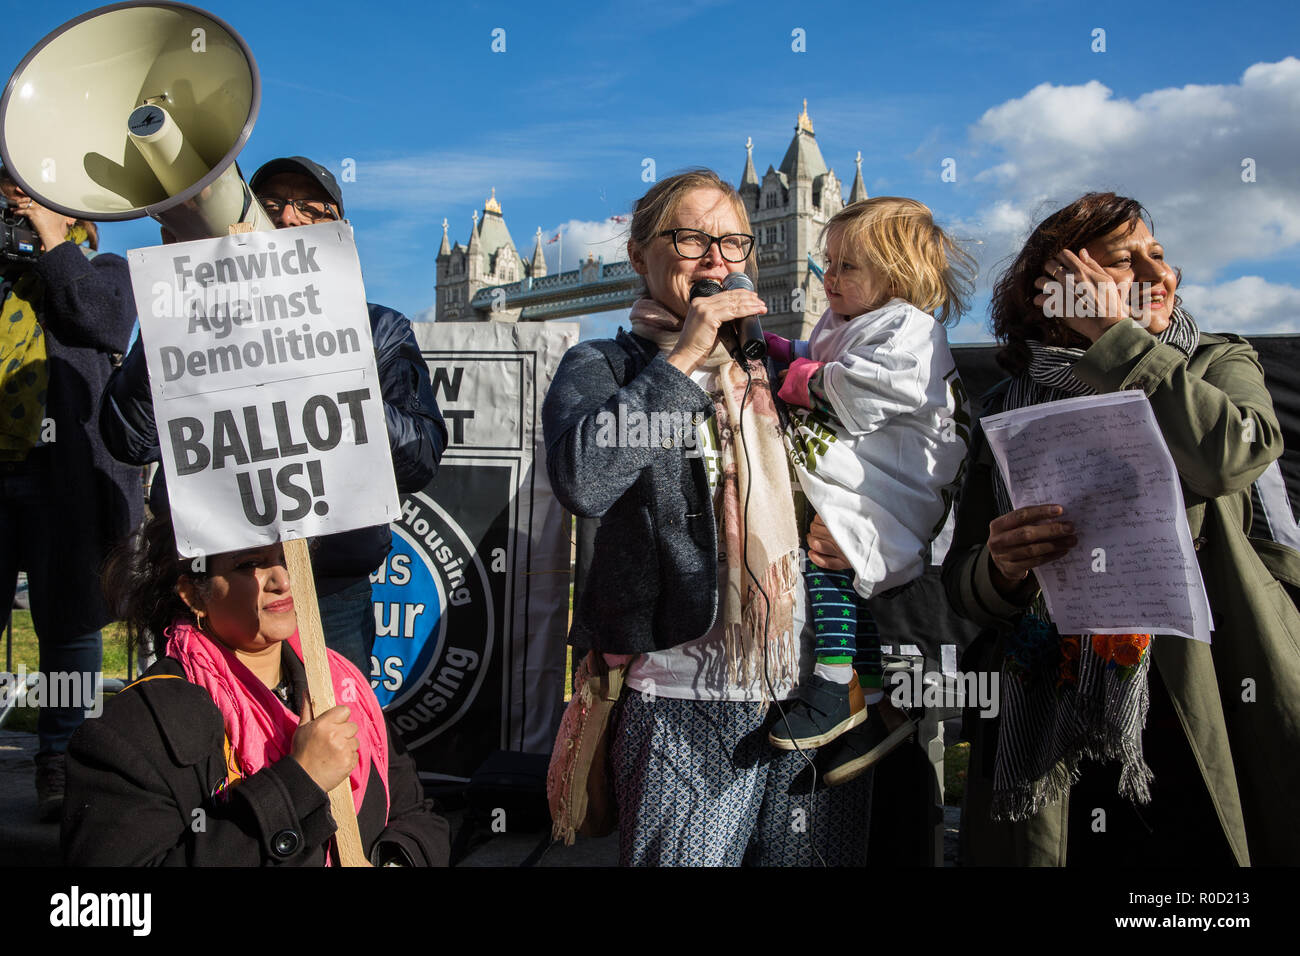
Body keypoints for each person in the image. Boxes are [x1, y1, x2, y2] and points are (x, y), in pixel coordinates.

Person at [941, 192, 1300, 866]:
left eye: (1157, 256)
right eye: (1119, 264)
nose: (1158, 275)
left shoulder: (1214, 362)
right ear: (1058, 295)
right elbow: (963, 585)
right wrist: (1002, 567)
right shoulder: (1007, 407)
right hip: (1055, 711)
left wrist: (1115, 338)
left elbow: (1228, 456)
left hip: (1211, 694)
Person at [543, 169, 871, 866]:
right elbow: (585, 481)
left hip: (808, 689)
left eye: (734, 242)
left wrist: (854, 533)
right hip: (681, 696)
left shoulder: (782, 372)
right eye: (691, 239)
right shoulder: (603, 364)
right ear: (639, 256)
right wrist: (686, 356)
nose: (717, 259)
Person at [99, 156, 446, 674]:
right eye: (271, 205)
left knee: (332, 738)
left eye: (310, 207)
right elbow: (130, 439)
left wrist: (327, 370)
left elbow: (419, 458)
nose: (287, 218)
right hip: (212, 586)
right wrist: (178, 314)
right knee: (208, 741)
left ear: (339, 231)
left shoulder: (379, 329)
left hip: (330, 590)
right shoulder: (194, 318)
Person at [62, 510, 450, 866]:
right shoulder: (135, 728)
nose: (282, 580)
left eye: (288, 557)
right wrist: (300, 780)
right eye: (250, 565)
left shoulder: (342, 686)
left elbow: (417, 816)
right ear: (194, 594)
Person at [0, 167, 143, 822]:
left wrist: (53, 242)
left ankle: (60, 759)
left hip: (66, 477)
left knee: (71, 625)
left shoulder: (104, 267)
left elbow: (106, 321)